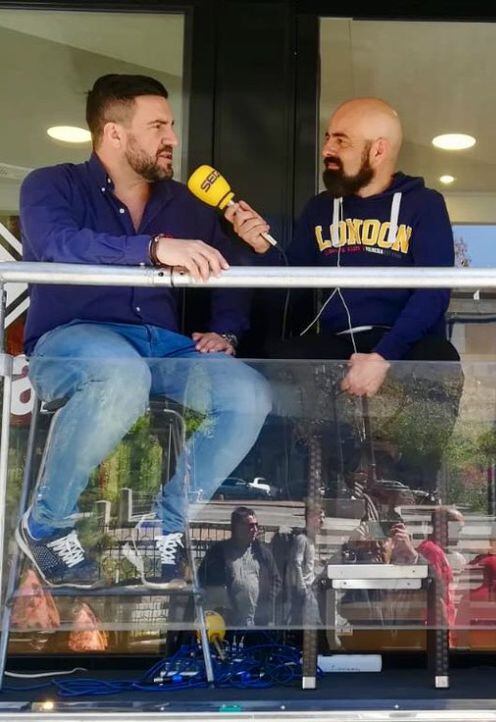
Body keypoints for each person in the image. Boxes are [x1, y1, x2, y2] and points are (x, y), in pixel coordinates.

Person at [16, 74, 272, 589]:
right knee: (120, 375)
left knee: (249, 395)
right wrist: (153, 248)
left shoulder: (185, 202)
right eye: (157, 126)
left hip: (161, 347)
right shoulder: (50, 184)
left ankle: (162, 527)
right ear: (113, 134)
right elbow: (58, 244)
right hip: (73, 340)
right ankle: (45, 524)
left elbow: (228, 269)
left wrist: (228, 329)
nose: (172, 138)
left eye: (171, 126)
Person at [272, 97, 462, 493]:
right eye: (328, 139)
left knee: (442, 362)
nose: (327, 150)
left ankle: (414, 489)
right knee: (286, 359)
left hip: (404, 341)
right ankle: (316, 486)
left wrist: (383, 357)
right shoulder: (321, 208)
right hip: (338, 341)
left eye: (340, 141)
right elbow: (288, 275)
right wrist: (259, 249)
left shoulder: (424, 205)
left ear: (378, 149)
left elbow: (433, 293)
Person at [198, 507, 282, 628]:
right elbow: (203, 579)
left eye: (256, 525)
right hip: (227, 620)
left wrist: (266, 602)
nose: (255, 530)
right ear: (237, 528)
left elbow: (276, 580)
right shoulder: (219, 552)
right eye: (250, 526)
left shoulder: (263, 553)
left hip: (257, 621)